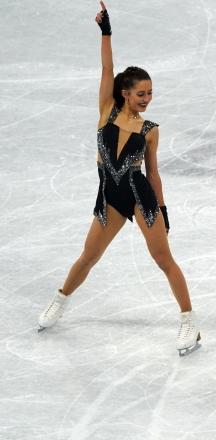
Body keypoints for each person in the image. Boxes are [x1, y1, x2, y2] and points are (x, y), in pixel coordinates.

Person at [37, 2, 201, 356]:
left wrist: (163, 210)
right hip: (110, 197)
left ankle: (190, 322)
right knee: (89, 255)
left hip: (140, 197)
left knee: (163, 259)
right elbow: (107, 68)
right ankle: (60, 300)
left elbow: (153, 174)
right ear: (124, 93)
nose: (147, 99)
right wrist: (106, 32)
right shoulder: (106, 111)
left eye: (150, 93)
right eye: (141, 93)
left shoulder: (150, 129)